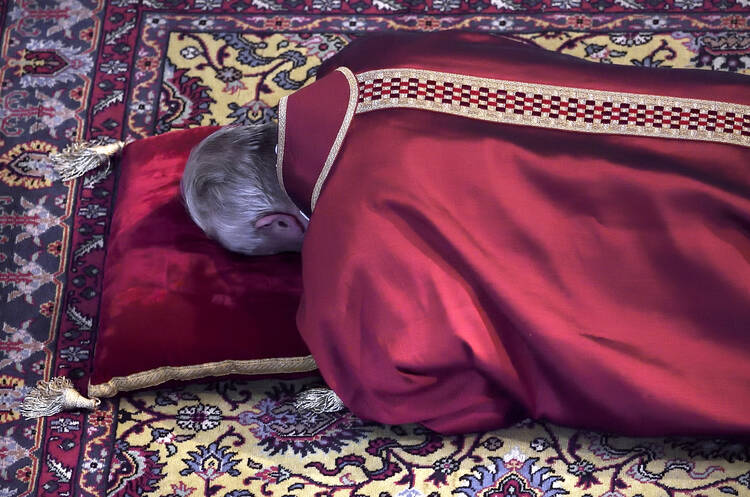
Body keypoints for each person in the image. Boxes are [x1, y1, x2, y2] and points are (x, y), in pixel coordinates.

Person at [181, 31, 750, 436]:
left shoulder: (353, 240)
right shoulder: (372, 57)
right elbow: (513, 52)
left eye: (283, 249)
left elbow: (411, 387)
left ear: (276, 222)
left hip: (697, 247)